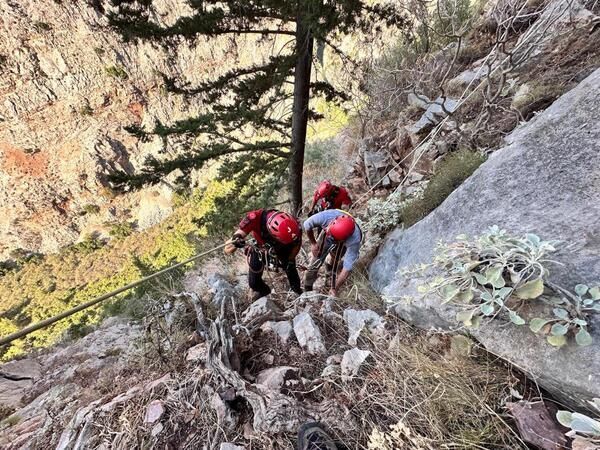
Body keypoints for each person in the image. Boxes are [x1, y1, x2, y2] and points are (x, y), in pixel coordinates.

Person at [224, 209, 302, 301]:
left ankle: (298, 293)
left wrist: (290, 259)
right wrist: (237, 240)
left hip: (283, 248)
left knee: (291, 270)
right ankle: (265, 292)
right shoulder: (255, 218)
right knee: (254, 283)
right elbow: (227, 249)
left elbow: (297, 244)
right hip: (260, 249)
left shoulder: (294, 225)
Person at [303, 209, 362, 297]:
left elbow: (346, 269)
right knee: (315, 261)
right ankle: (307, 288)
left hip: (342, 242)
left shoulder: (354, 241)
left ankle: (329, 270)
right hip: (327, 234)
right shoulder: (326, 217)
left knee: (335, 257)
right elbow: (307, 224)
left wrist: (335, 288)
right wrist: (313, 243)